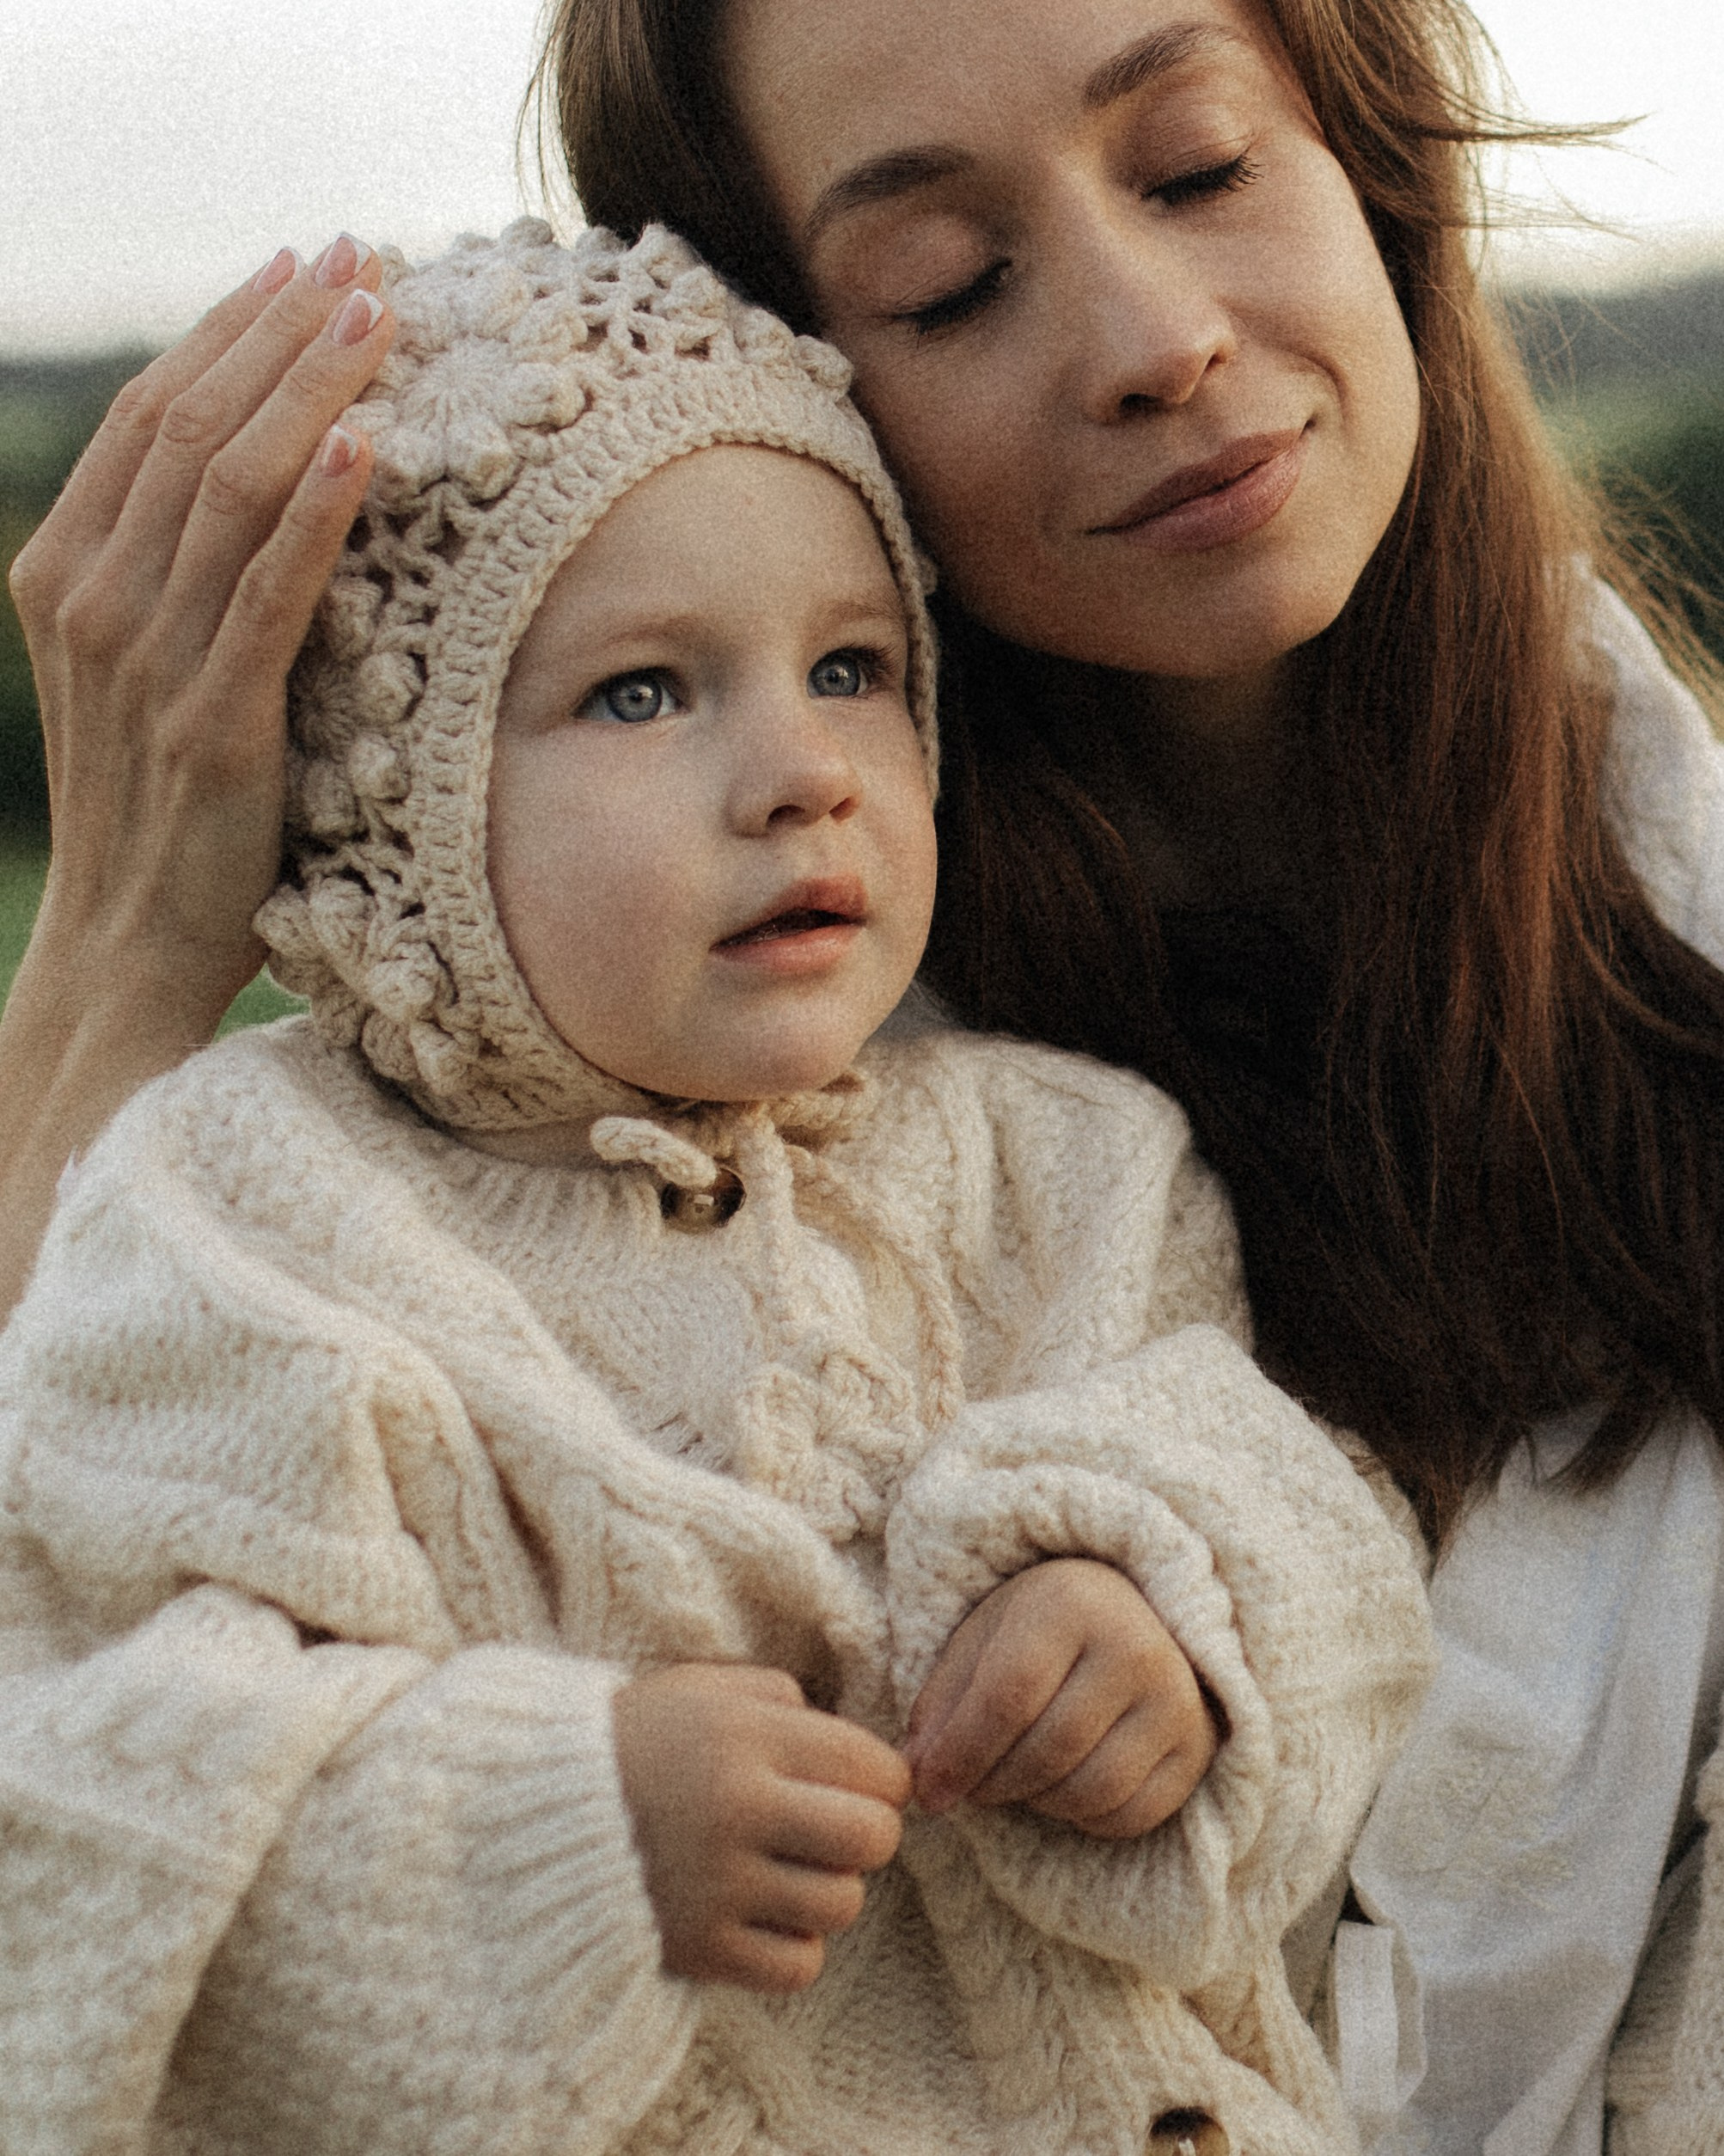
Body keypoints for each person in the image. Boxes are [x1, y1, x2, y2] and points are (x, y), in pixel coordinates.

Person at [3, 0, 1722, 2147]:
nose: (1151, 336)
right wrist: (119, 960)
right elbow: (84, 1781)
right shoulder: (602, 1113)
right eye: (947, 283)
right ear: (799, 374)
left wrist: (1157, 1605)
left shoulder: (1105, 1166)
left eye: (1196, 163)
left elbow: (1285, 1543)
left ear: (1372, 158)